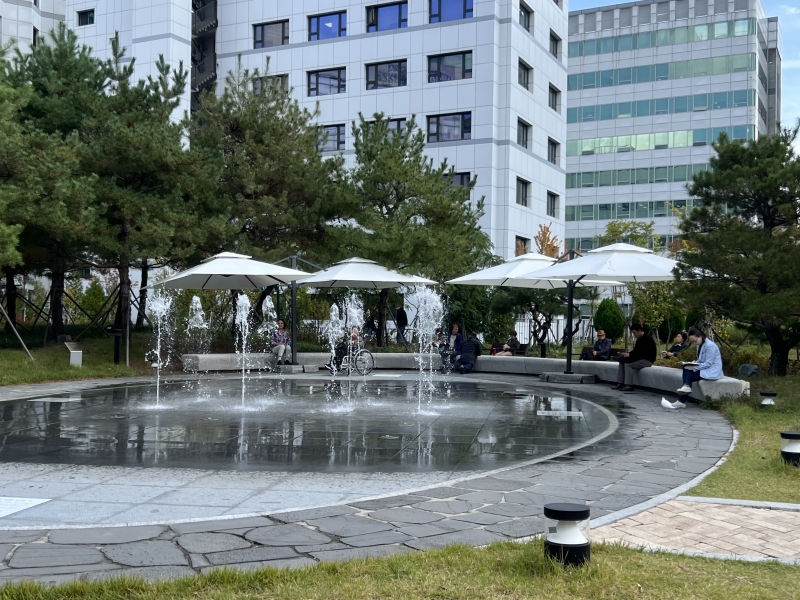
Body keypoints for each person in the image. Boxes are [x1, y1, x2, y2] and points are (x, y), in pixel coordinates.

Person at [672, 327, 723, 408]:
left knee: (688, 376)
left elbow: (708, 363)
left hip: (712, 370)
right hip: (705, 368)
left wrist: (694, 368)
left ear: (700, 336)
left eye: (695, 341)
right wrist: (695, 362)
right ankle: (685, 390)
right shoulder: (700, 344)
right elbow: (701, 359)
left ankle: (682, 398)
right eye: (692, 342)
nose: (694, 343)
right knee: (686, 367)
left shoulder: (710, 346)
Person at [613, 323, 657, 391]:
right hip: (640, 358)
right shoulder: (639, 339)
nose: (634, 335)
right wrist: (628, 354)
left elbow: (642, 353)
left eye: (634, 333)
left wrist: (630, 355)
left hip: (647, 360)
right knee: (622, 362)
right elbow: (636, 351)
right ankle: (620, 383)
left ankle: (628, 385)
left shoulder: (648, 339)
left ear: (639, 331)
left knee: (628, 365)